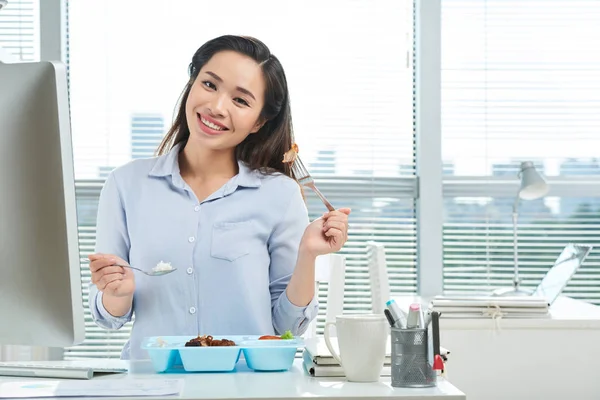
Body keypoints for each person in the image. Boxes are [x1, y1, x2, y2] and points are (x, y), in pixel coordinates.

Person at [87, 35, 351, 360]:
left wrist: (308, 255)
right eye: (209, 85)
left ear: (259, 122)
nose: (216, 107)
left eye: (240, 101)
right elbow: (108, 316)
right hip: (151, 386)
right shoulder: (125, 184)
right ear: (192, 83)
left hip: (244, 387)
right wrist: (118, 293)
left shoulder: (280, 195)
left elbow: (287, 327)